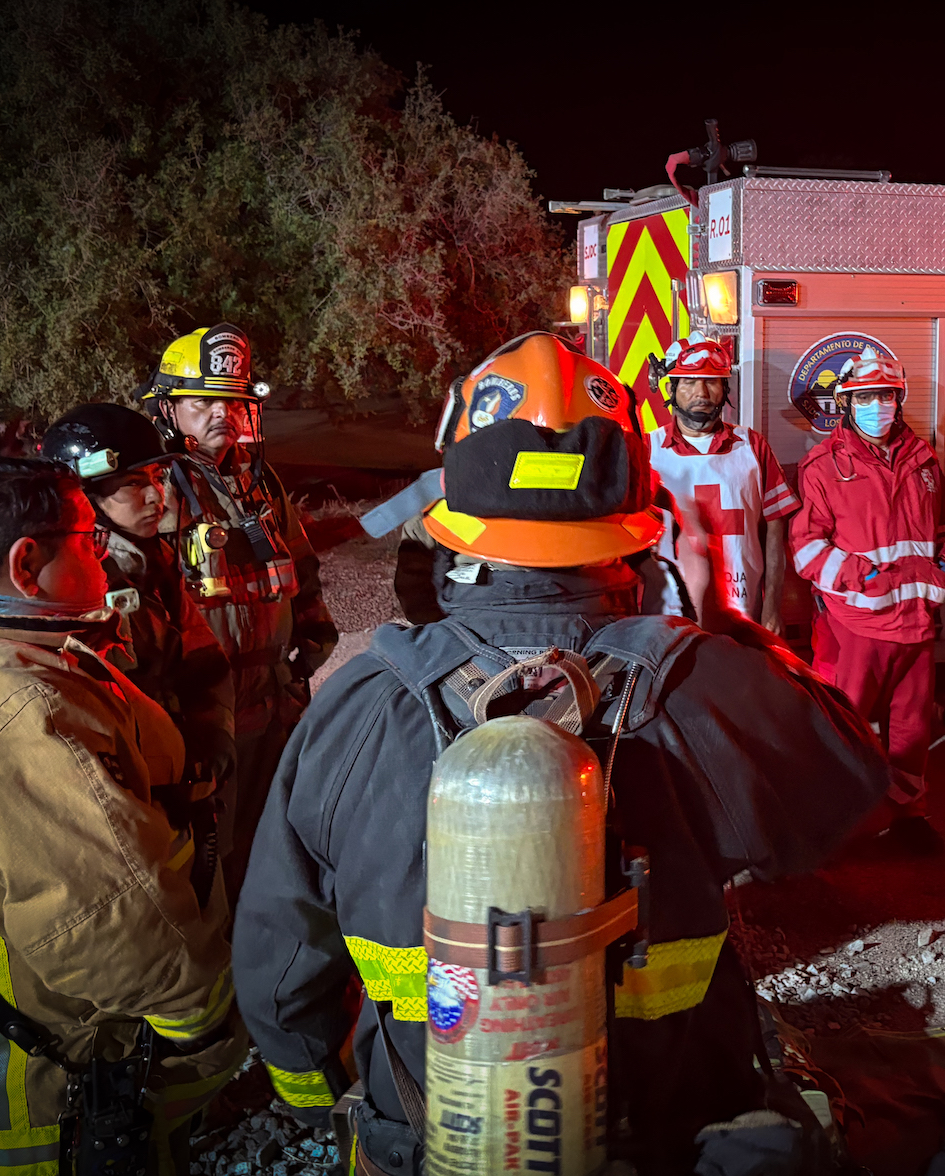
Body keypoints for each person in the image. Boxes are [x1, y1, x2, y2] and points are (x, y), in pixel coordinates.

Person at [233, 333, 890, 1175]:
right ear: (635, 517)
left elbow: (283, 946)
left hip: (429, 1128)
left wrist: (318, 1087)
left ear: (449, 526)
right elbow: (854, 777)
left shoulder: (362, 704)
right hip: (664, 1127)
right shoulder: (703, 681)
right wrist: (722, 623)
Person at [0, 458, 245, 1176]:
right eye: (88, 541)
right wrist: (208, 1029)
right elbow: (111, 930)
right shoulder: (21, 715)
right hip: (57, 1111)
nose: (103, 554)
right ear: (28, 563)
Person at [140, 323, 336, 903]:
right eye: (202, 402)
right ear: (170, 409)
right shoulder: (156, 487)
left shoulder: (257, 480)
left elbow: (297, 561)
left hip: (276, 702)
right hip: (208, 712)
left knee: (280, 837)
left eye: (231, 402)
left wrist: (316, 625)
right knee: (211, 857)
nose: (220, 415)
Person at [39, 404, 235, 904]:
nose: (157, 496)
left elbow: (201, 656)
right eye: (132, 484)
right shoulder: (76, 589)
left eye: (157, 476)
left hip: (181, 791)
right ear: (84, 497)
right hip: (131, 809)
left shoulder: (155, 560)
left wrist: (212, 731)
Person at [790, 347, 945, 855]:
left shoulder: (924, 459)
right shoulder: (823, 465)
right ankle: (828, 825)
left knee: (911, 733)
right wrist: (861, 578)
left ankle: (908, 815)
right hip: (856, 626)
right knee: (840, 731)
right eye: (866, 396)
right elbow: (806, 546)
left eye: (886, 396)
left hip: (916, 624)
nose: (878, 406)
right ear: (846, 402)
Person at [646, 331, 797, 629]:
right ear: (672, 389)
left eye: (711, 381)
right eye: (688, 382)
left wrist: (771, 609)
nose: (701, 392)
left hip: (743, 613)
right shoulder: (647, 449)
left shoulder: (752, 446)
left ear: (724, 387)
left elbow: (775, 530)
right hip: (667, 615)